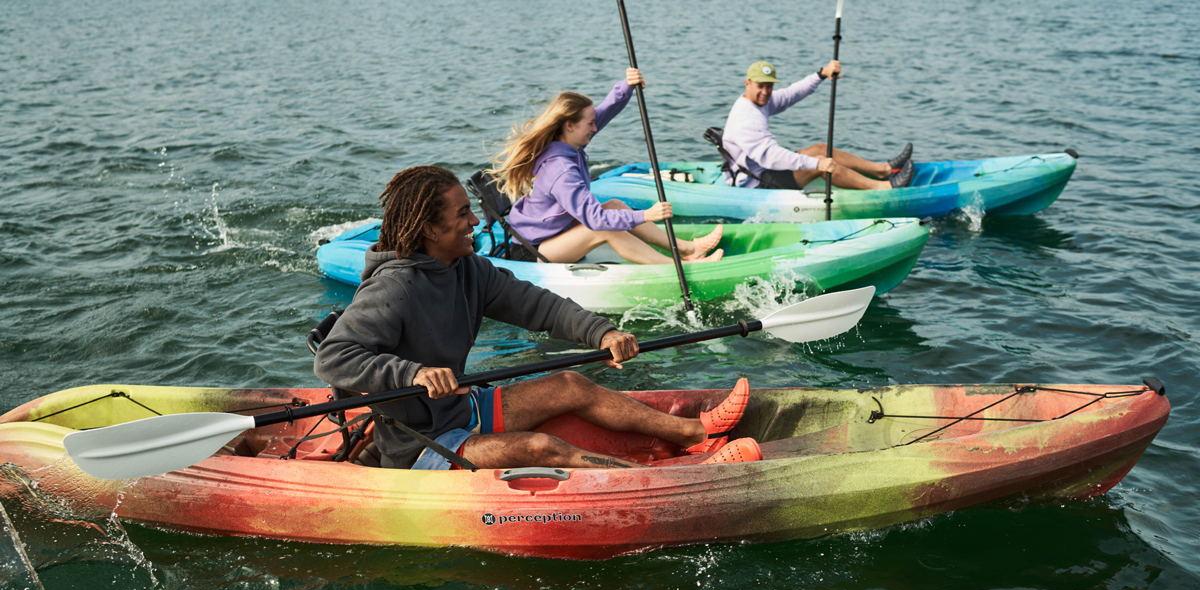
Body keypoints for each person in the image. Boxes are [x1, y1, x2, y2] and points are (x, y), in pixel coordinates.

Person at [313, 165, 760, 471]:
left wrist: (600, 331)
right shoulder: (395, 287)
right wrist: (414, 372)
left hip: (460, 408)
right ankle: (681, 476)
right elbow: (334, 358)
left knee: (570, 384)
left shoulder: (468, 269)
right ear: (430, 229)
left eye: (470, 209)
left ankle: (694, 431)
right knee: (541, 448)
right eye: (462, 214)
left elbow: (538, 305)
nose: (474, 220)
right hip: (419, 443)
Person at [490, 69, 724, 265]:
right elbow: (595, 220)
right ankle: (680, 267)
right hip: (535, 251)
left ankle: (686, 248)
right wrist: (646, 215)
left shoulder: (568, 140)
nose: (595, 128)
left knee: (613, 206)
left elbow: (604, 111)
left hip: (554, 233)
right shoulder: (560, 169)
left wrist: (626, 86)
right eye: (590, 124)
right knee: (602, 226)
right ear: (569, 125)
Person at [721, 59, 914, 191]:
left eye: (769, 86)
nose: (765, 91)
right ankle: (884, 187)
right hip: (756, 183)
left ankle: (884, 170)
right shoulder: (747, 120)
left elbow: (790, 94)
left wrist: (821, 74)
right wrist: (817, 163)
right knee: (823, 165)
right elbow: (772, 157)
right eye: (760, 86)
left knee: (820, 148)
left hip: (762, 169)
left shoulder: (756, 101)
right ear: (747, 83)